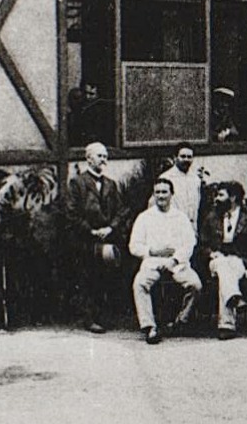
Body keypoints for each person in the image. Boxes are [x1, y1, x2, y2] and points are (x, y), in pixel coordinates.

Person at [128, 178, 202, 344]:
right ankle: (149, 327)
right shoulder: (144, 217)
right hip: (152, 263)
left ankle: (180, 321)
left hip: (177, 264)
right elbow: (134, 246)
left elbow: (190, 243)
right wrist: (151, 251)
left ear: (172, 194)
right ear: (153, 195)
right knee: (139, 284)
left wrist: (175, 260)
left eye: (164, 192)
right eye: (157, 192)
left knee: (196, 285)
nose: (161, 196)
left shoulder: (180, 217)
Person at [64, 141, 124, 334]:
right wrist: (90, 230)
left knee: (105, 278)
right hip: (85, 240)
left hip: (107, 238)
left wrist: (111, 228)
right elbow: (71, 212)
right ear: (88, 158)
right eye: (100, 156)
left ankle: (103, 316)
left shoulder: (110, 184)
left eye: (106, 156)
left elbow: (121, 211)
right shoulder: (77, 183)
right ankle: (88, 318)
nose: (104, 159)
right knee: (87, 278)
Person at [200, 180, 247, 339]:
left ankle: (228, 323)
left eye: (221, 195)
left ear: (233, 197)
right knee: (222, 264)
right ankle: (235, 301)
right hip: (216, 261)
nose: (216, 198)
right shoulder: (211, 219)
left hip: (239, 262)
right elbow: (202, 245)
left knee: (227, 274)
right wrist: (210, 253)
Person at [157, 144, 206, 225]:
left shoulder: (195, 179)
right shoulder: (166, 178)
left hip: (192, 228)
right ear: (175, 158)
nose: (186, 159)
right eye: (183, 156)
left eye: (189, 157)